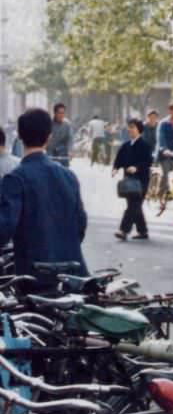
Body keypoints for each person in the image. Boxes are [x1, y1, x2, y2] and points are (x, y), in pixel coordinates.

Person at [0, 108, 87, 287]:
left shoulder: (15, 179)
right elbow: (80, 223)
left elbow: (4, 228)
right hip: (73, 272)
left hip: (34, 276)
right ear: (49, 137)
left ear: (20, 137)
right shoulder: (68, 176)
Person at [112, 118, 153, 241]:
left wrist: (136, 168)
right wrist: (115, 168)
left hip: (142, 181)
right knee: (134, 205)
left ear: (139, 130)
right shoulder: (125, 145)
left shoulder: (145, 145)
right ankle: (143, 231)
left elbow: (148, 162)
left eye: (133, 127)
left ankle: (123, 230)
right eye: (129, 127)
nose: (130, 129)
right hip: (128, 181)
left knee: (133, 205)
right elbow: (119, 159)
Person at [48, 102, 73, 168]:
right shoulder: (48, 124)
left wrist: (70, 151)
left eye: (63, 113)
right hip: (50, 154)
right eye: (59, 113)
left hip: (62, 154)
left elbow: (70, 139)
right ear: (55, 113)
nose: (61, 115)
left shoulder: (67, 124)